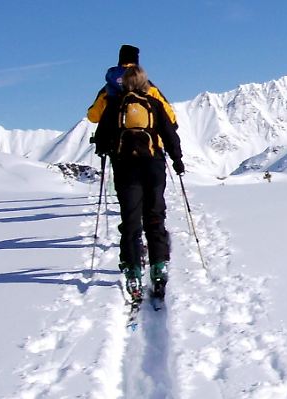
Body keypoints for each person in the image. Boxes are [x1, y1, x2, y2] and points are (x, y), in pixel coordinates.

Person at [87, 45, 186, 303]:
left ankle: (132, 270)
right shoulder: (153, 97)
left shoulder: (112, 97)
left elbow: (98, 128)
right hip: (153, 165)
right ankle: (159, 268)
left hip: (125, 167)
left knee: (131, 220)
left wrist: (104, 147)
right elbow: (171, 127)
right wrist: (177, 160)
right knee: (155, 216)